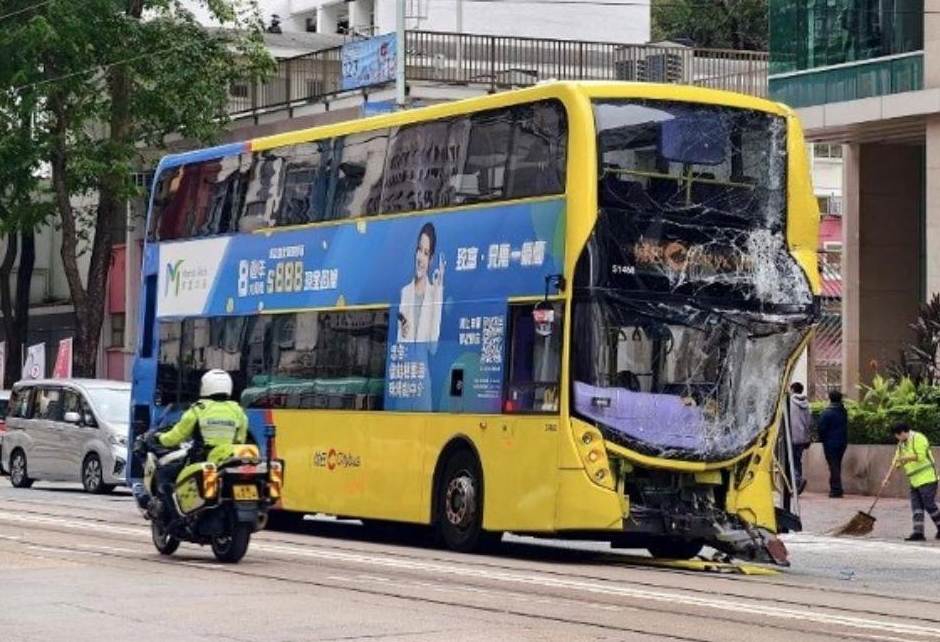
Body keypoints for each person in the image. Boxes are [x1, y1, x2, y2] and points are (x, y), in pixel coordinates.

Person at [156, 369, 249, 466]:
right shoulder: (239, 411)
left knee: (165, 472)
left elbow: (174, 438)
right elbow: (240, 440)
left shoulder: (198, 409)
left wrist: (159, 437)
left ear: (205, 386)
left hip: (200, 461)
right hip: (227, 462)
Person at [891, 422, 940, 541]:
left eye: (896, 436)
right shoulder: (901, 445)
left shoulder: (919, 438)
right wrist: (887, 478)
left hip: (928, 478)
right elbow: (896, 462)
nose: (897, 438)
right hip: (914, 480)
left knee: (929, 504)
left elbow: (920, 456)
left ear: (902, 433)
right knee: (916, 507)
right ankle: (918, 533)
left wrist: (902, 458)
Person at [398, 222, 444, 343]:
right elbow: (399, 343)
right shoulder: (405, 292)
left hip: (423, 362)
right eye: (419, 250)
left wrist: (437, 291)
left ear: (431, 260)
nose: (421, 259)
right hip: (405, 361)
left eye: (426, 253)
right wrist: (402, 333)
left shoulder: (434, 294)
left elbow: (433, 346)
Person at [816, 389, 848, 497]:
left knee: (833, 465)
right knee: (836, 464)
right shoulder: (843, 411)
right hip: (842, 442)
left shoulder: (827, 413)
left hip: (830, 443)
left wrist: (821, 438)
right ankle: (835, 487)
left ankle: (836, 489)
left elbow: (821, 428)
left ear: (830, 398)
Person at [787, 381, 811, 494]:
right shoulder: (806, 404)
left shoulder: (789, 402)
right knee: (797, 460)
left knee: (790, 461)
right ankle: (796, 482)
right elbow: (808, 422)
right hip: (802, 437)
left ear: (792, 390)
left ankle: (797, 481)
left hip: (791, 436)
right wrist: (807, 437)